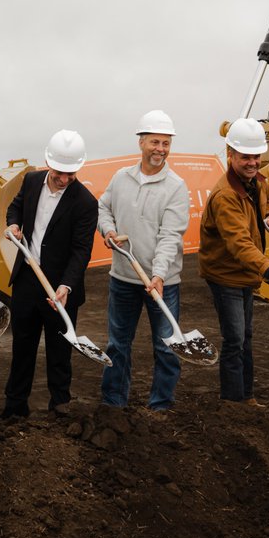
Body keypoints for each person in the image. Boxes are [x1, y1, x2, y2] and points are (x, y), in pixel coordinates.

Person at [0, 130, 98, 419]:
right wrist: (14, 225)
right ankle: (15, 408)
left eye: (71, 173)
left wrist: (66, 285)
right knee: (23, 347)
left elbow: (81, 250)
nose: (65, 179)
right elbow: (15, 207)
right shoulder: (30, 181)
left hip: (60, 287)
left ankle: (60, 407)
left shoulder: (85, 202)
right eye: (59, 172)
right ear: (47, 161)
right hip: (27, 280)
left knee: (59, 351)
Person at [97, 110, 190, 412]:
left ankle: (160, 408)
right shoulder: (121, 178)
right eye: (155, 142)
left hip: (162, 284)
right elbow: (103, 208)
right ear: (141, 142)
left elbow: (170, 236)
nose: (160, 150)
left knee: (166, 346)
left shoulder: (176, 186)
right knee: (117, 344)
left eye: (166, 143)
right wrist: (108, 230)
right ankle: (114, 406)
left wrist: (159, 275)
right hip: (123, 277)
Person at [199, 117, 269, 406]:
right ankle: (232, 402)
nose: (252, 162)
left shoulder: (256, 181)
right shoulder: (225, 195)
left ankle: (247, 397)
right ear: (230, 155)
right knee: (235, 339)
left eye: (256, 156)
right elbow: (239, 243)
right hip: (226, 273)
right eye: (245, 157)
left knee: (246, 337)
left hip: (245, 273)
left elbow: (267, 202)